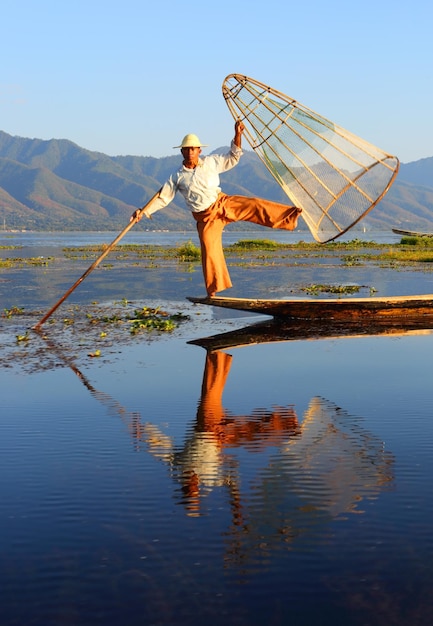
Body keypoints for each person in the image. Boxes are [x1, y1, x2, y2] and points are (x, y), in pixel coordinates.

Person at [131, 120, 302, 297]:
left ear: (199, 151)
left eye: (193, 149)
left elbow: (233, 157)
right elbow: (163, 198)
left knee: (255, 205)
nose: (190, 152)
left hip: (223, 203)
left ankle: (290, 217)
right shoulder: (177, 176)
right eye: (187, 149)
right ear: (182, 152)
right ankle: (214, 292)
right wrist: (142, 212)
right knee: (209, 251)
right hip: (205, 218)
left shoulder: (211, 162)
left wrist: (238, 134)